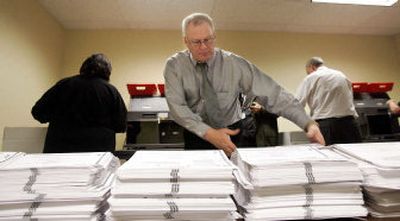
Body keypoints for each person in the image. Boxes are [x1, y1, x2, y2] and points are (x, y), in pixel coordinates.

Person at [163, 12, 325, 156]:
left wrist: (307, 122)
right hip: (197, 134)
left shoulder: (234, 64)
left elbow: (271, 92)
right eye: (196, 42)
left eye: (208, 40)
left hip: (233, 132)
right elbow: (177, 107)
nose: (204, 47)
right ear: (185, 41)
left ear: (214, 36)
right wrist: (209, 133)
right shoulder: (174, 66)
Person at [31, 53, 127, 153]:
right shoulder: (111, 91)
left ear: (83, 68)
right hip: (96, 153)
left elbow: (38, 112)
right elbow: (121, 125)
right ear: (107, 72)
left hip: (59, 150)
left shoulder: (64, 84)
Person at [296, 57, 361, 146]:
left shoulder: (311, 78)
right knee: (354, 156)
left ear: (312, 67)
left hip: (326, 125)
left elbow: (297, 104)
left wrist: (308, 125)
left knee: (329, 158)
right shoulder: (341, 75)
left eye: (308, 71)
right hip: (350, 124)